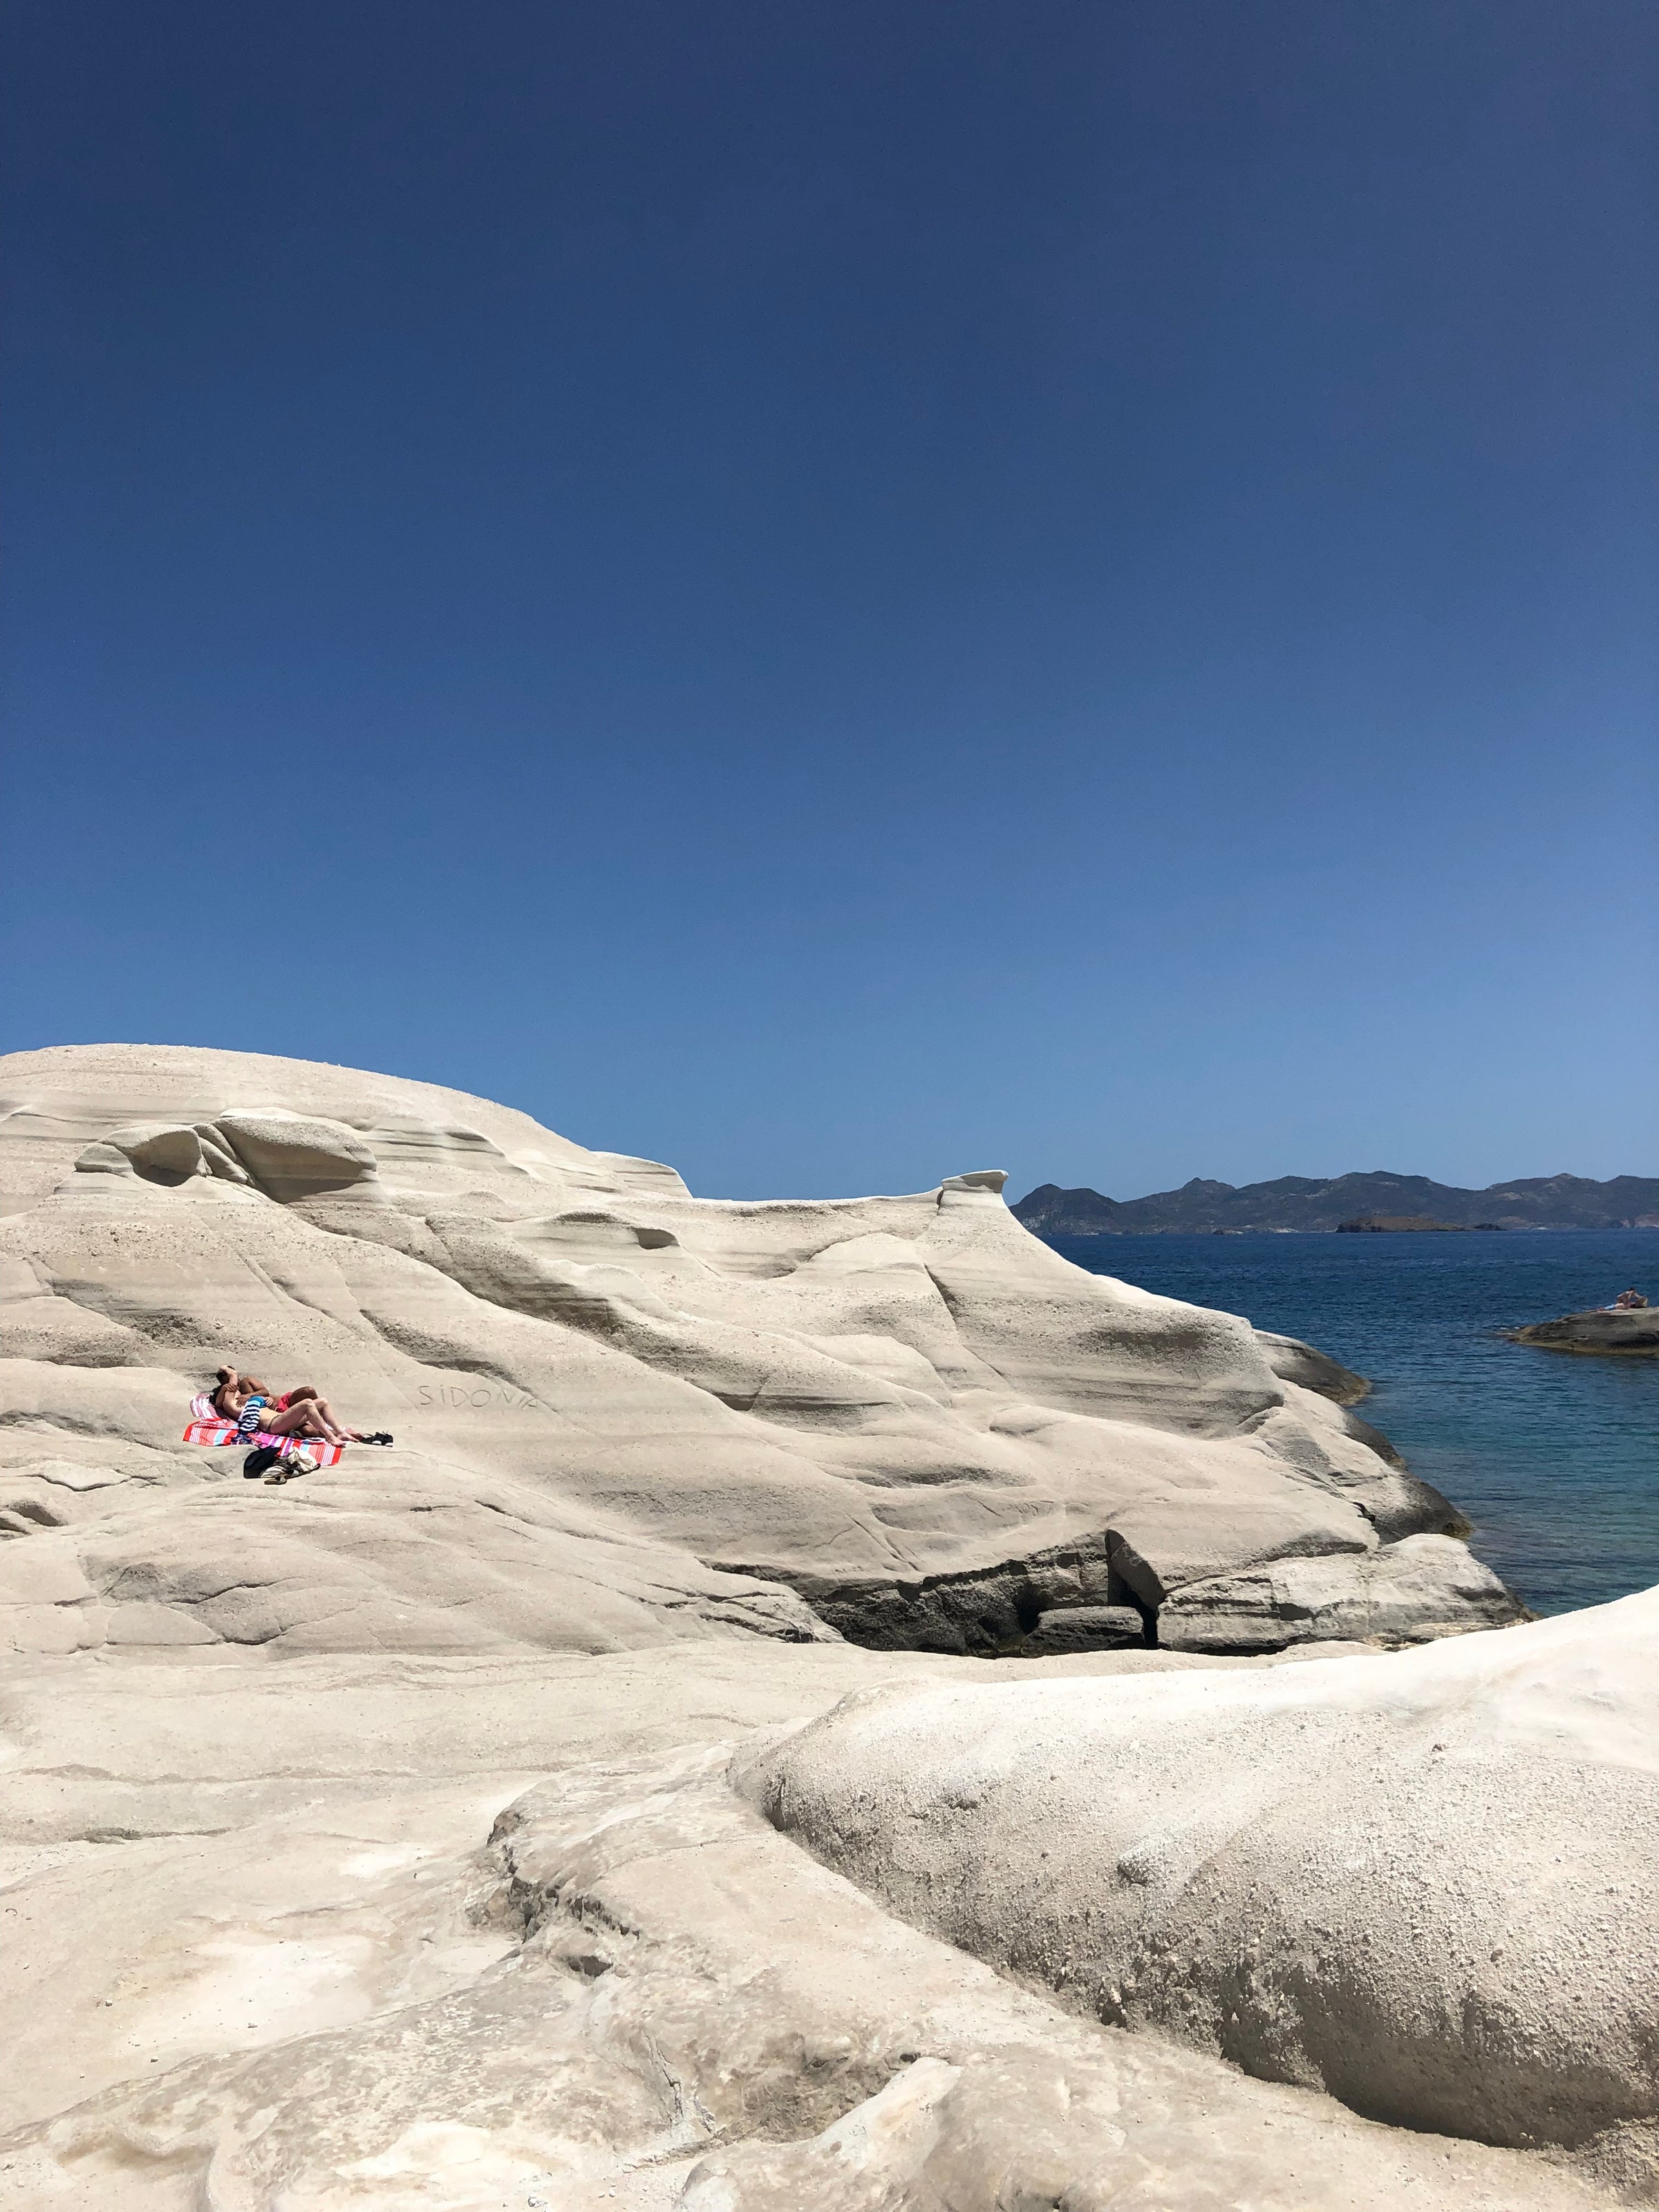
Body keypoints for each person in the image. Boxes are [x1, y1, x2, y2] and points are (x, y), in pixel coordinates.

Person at [210, 1366, 391, 1445]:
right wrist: (229, 1374)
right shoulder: (230, 1403)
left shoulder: (246, 1391)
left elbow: (261, 1391)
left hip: (282, 1417)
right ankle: (330, 1436)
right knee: (307, 1405)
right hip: (274, 1426)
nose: (233, 1387)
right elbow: (228, 1390)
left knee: (322, 1401)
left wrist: (258, 1399)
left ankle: (340, 1431)